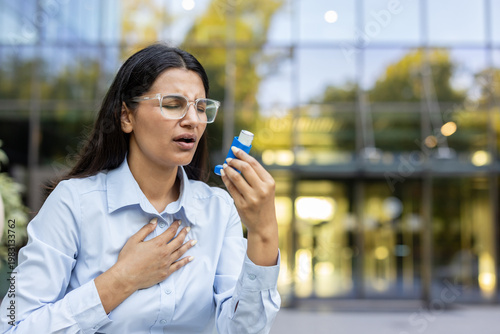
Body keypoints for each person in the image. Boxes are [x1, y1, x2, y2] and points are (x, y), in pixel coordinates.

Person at [0, 43, 280, 333]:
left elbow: (243, 329)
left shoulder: (218, 209)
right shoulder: (74, 203)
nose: (193, 120)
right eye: (173, 104)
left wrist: (263, 232)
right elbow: (14, 327)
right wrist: (122, 279)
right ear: (126, 116)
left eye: (201, 107)